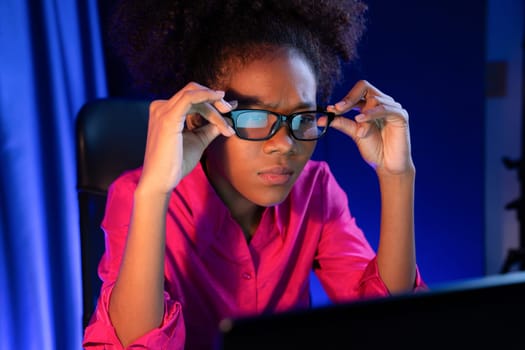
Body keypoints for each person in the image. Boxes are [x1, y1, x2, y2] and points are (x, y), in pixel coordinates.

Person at [82, 0, 426, 349]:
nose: (285, 145)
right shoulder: (137, 194)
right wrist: (154, 192)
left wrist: (397, 176)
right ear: (202, 117)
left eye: (303, 117)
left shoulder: (315, 190)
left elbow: (388, 324)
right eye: (255, 117)